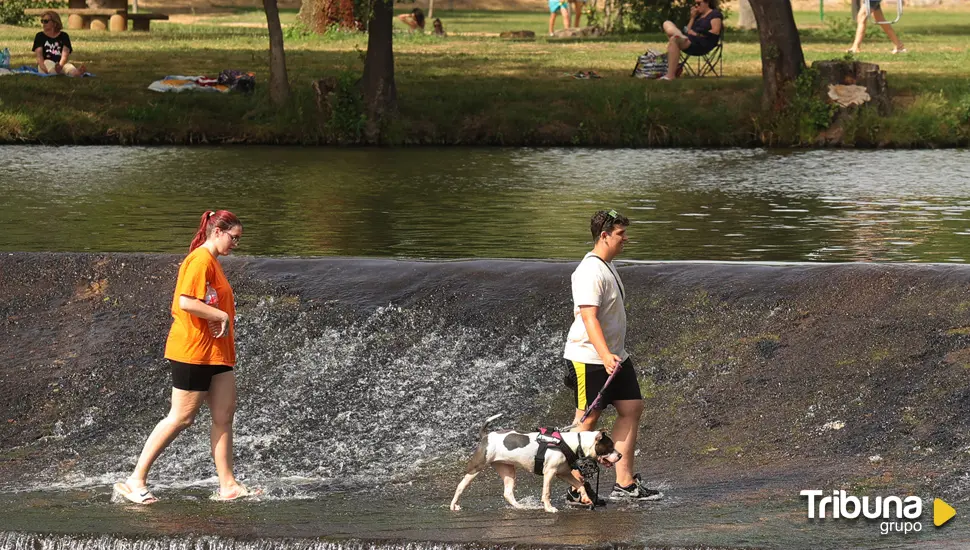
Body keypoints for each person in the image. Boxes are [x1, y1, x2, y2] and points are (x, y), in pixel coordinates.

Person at [114, 210, 252, 504]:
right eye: (234, 238)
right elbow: (185, 302)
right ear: (217, 232)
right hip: (194, 351)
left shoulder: (212, 262)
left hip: (217, 353)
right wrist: (220, 316)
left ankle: (228, 485)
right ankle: (134, 480)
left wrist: (218, 317)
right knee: (181, 418)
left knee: (224, 415)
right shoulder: (200, 260)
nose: (235, 245)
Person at [562, 210, 663, 503]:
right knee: (587, 421)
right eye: (620, 234)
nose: (625, 239)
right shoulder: (589, 271)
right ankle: (576, 488)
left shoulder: (606, 265)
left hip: (616, 356)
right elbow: (589, 318)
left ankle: (625, 483)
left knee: (631, 407)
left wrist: (613, 354)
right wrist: (605, 355)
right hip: (589, 357)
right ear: (604, 236)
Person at [659, 0, 722, 80]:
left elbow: (715, 31)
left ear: (707, 2)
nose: (696, 6)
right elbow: (687, 30)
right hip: (688, 39)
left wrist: (697, 34)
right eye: (695, 4)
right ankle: (680, 35)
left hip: (701, 44)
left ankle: (670, 75)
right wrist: (692, 18)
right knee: (666, 23)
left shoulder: (714, 14)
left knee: (674, 39)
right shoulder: (698, 16)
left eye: (699, 3)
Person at [33, 11, 86, 77]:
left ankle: (75, 73)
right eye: (42, 21)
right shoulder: (39, 36)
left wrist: (60, 66)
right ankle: (55, 73)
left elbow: (65, 55)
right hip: (45, 64)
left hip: (61, 63)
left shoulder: (64, 36)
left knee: (69, 66)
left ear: (55, 23)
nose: (43, 23)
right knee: (48, 63)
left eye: (46, 21)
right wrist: (43, 67)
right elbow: (39, 56)